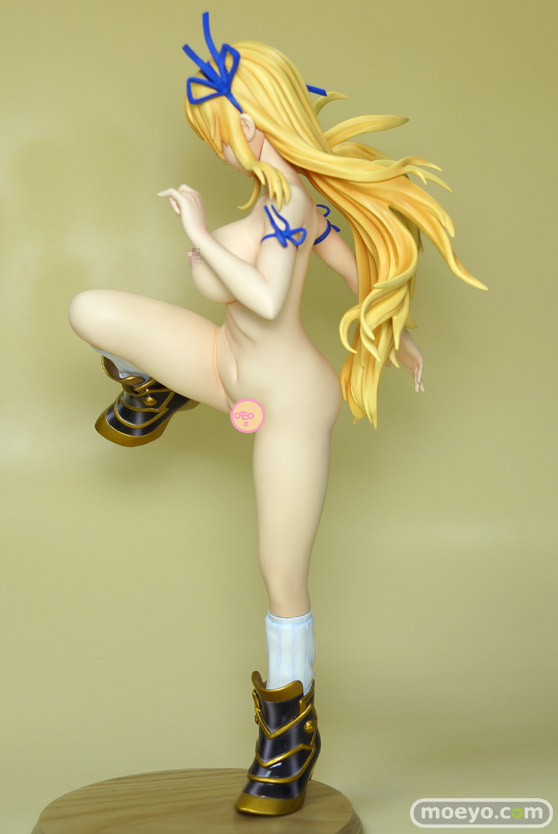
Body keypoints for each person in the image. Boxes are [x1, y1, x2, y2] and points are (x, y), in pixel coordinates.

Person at [68, 13, 486, 817]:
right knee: (91, 309)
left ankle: (289, 735)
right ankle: (159, 386)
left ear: (256, 123)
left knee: (279, 571)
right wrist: (394, 331)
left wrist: (198, 233)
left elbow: (263, 299)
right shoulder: (290, 202)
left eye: (222, 132)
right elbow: (353, 267)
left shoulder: (291, 204)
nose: (219, 147)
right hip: (225, 367)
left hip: (290, 402)